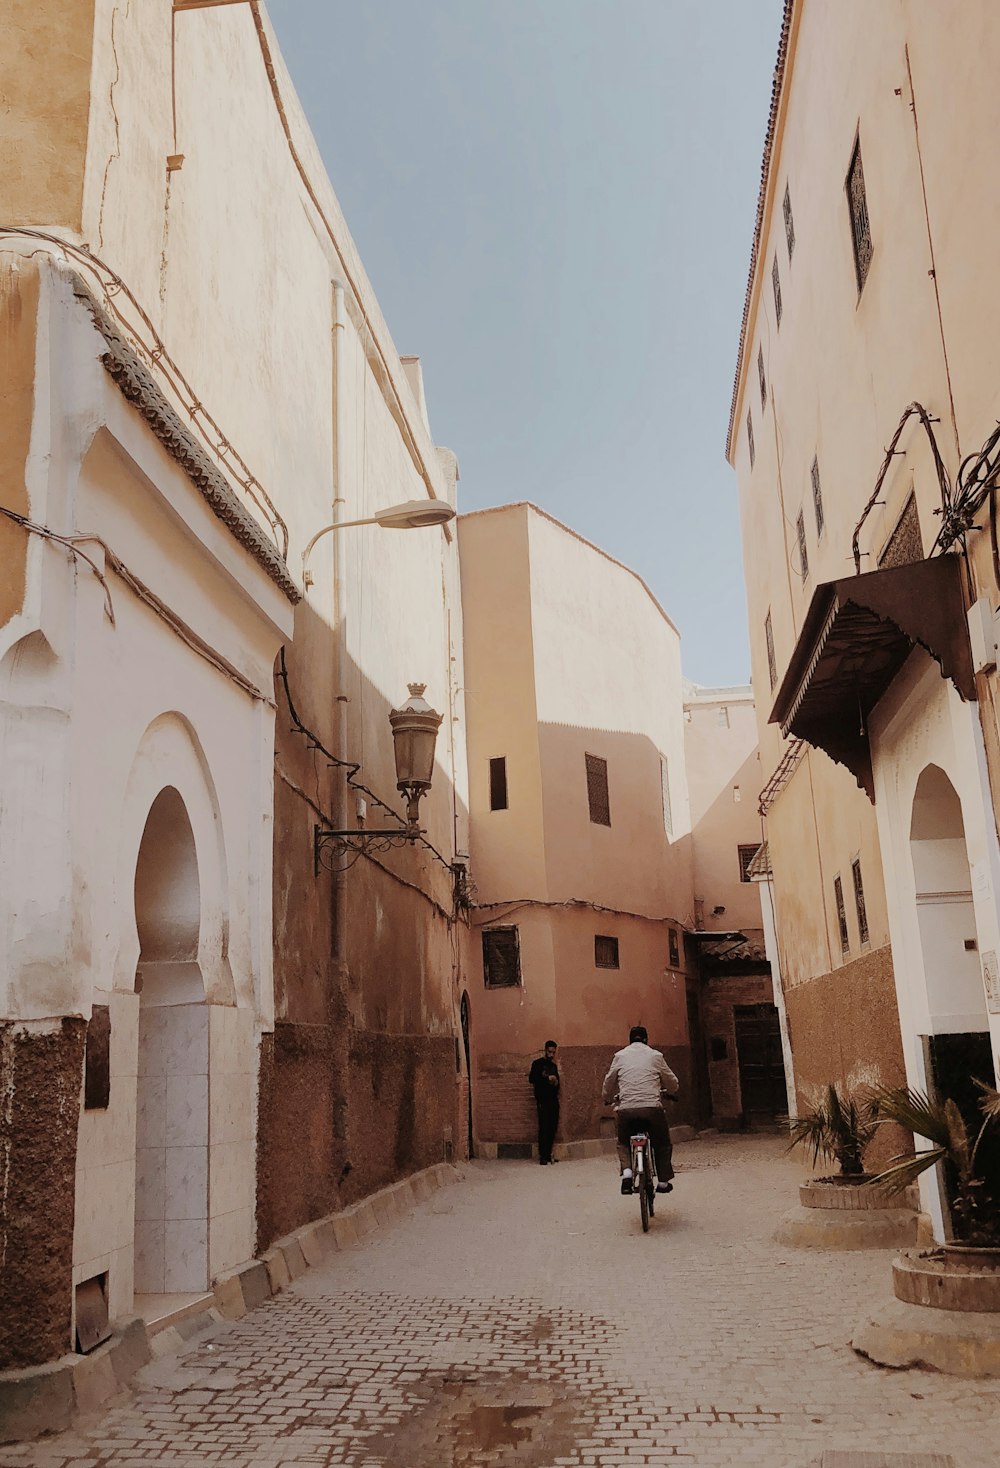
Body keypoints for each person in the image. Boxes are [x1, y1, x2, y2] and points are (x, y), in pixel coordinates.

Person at [602, 1025, 679, 1195]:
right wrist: (672, 1092)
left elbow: (608, 1082)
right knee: (662, 1143)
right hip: (652, 1109)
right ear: (646, 1039)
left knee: (623, 1142)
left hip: (626, 1110)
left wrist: (607, 1098)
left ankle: (627, 1175)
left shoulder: (620, 1056)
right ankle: (664, 1182)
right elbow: (672, 1081)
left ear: (630, 1040)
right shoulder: (656, 1056)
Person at [528, 1039, 560, 1165]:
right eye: (549, 1052)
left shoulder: (553, 1066)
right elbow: (532, 1079)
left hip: (553, 1100)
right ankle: (543, 1156)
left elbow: (558, 1085)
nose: (551, 1054)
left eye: (553, 1052)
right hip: (542, 1100)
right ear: (545, 1050)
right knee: (544, 1127)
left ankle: (548, 1154)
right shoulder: (537, 1064)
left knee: (552, 1127)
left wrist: (556, 1082)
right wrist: (546, 1078)